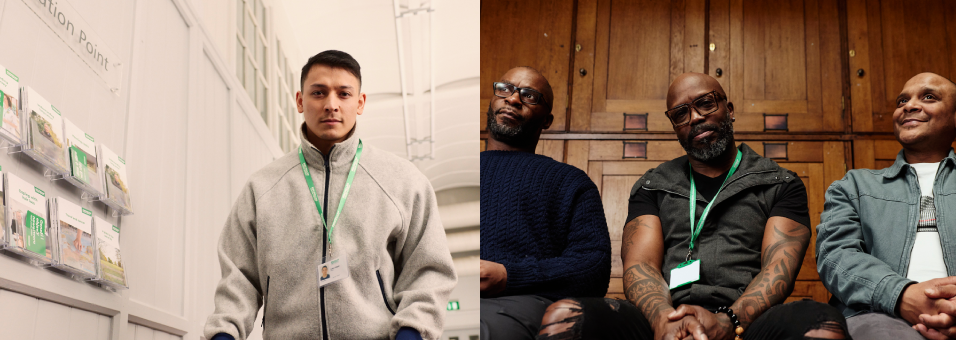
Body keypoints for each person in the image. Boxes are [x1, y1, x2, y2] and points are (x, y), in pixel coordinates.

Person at [534, 73, 849, 340]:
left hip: (746, 321)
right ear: (674, 125)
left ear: (729, 108)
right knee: (566, 317)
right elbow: (640, 265)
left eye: (706, 103)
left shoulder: (780, 183)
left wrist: (729, 320)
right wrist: (662, 320)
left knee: (821, 325)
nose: (696, 117)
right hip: (664, 315)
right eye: (681, 113)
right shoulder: (652, 185)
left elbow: (778, 268)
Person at [203, 50, 458, 340]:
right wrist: (223, 334)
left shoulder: (403, 181)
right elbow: (238, 278)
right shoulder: (262, 188)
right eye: (319, 93)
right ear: (300, 101)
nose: (331, 105)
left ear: (360, 103)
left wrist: (413, 332)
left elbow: (429, 270)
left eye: (344, 94)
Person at [814, 72, 956, 340]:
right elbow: (835, 256)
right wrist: (900, 295)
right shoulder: (854, 186)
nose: (908, 106)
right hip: (878, 316)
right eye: (901, 101)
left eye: (929, 97)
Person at [480, 66, 611, 340]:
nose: (513, 99)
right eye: (505, 89)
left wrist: (509, 276)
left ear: (547, 120)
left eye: (530, 96)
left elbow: (593, 267)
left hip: (519, 301)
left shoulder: (570, 181)